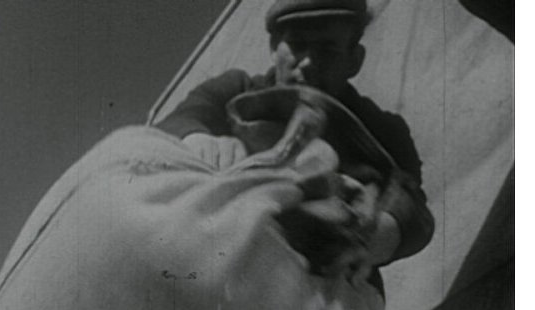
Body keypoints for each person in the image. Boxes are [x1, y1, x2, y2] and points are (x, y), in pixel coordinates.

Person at [156, 0, 434, 288]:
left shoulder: (383, 128)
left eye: (328, 50)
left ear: (355, 60)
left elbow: (414, 207)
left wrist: (384, 231)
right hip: (221, 266)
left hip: (328, 286)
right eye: (298, 45)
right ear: (274, 48)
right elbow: (185, 117)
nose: (309, 62)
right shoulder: (235, 88)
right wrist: (197, 139)